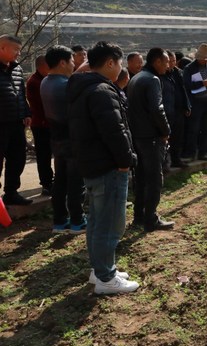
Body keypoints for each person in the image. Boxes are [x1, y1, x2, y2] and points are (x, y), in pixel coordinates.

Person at [66, 41, 139, 294]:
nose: (120, 68)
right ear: (110, 63)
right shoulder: (101, 91)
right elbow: (115, 131)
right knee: (110, 223)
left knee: (97, 221)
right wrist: (125, 161)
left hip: (92, 164)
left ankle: (100, 270)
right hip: (108, 166)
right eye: (119, 63)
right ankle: (106, 278)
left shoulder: (82, 88)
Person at [127, 47, 174, 232]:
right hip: (151, 137)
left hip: (137, 135)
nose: (168, 64)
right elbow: (157, 108)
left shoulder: (136, 77)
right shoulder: (152, 80)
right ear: (156, 61)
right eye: (165, 61)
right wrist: (166, 130)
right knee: (154, 179)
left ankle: (139, 216)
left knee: (141, 178)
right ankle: (151, 218)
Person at [40, 45, 86, 233]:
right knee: (76, 183)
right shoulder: (65, 85)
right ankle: (77, 221)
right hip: (72, 138)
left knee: (60, 181)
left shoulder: (46, 82)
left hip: (57, 138)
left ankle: (60, 220)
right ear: (62, 62)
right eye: (72, 61)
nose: (74, 65)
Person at [0, 35, 33, 206]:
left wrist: (26, 112)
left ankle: (11, 192)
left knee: (17, 158)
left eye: (19, 50)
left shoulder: (17, 69)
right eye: (15, 49)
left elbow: (21, 93)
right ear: (2, 48)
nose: (18, 53)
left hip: (16, 122)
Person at [181, 43, 207, 161]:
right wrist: (202, 83)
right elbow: (186, 85)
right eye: (203, 59)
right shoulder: (189, 69)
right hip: (195, 103)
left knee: (206, 130)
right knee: (194, 129)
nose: (204, 61)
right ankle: (191, 152)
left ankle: (202, 152)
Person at [26, 55, 53, 195]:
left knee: (51, 154)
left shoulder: (46, 79)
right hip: (41, 124)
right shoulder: (35, 82)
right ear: (41, 66)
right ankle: (46, 183)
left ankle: (51, 181)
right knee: (44, 156)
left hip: (49, 123)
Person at [161, 50, 191, 168]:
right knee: (166, 138)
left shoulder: (178, 73)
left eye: (174, 61)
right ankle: (165, 163)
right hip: (166, 111)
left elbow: (183, 90)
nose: (172, 63)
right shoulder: (160, 75)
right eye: (170, 61)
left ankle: (176, 159)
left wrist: (187, 105)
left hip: (178, 111)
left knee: (178, 137)